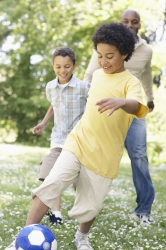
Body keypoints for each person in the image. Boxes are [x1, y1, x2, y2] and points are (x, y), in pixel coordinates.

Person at [5, 22, 148, 250]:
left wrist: (122, 102)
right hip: (77, 143)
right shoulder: (98, 75)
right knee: (51, 185)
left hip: (104, 156)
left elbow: (138, 106)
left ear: (125, 53)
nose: (103, 61)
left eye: (109, 56)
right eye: (100, 55)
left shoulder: (130, 82)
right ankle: (21, 238)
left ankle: (82, 237)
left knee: (91, 205)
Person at [84, 9, 155, 224]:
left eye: (134, 21)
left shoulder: (146, 50)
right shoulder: (107, 46)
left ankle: (143, 211)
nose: (129, 24)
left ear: (139, 25)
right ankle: (88, 207)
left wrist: (150, 97)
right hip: (106, 108)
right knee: (94, 155)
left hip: (132, 107)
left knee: (139, 156)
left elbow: (147, 72)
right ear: (120, 23)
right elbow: (89, 75)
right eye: (125, 21)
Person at [32, 47, 89, 225]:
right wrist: (43, 123)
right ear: (52, 66)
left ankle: (84, 210)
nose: (62, 71)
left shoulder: (83, 87)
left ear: (74, 65)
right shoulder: (50, 86)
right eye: (58, 67)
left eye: (66, 66)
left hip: (78, 140)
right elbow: (53, 106)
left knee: (78, 180)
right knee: (50, 175)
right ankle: (56, 212)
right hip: (58, 138)